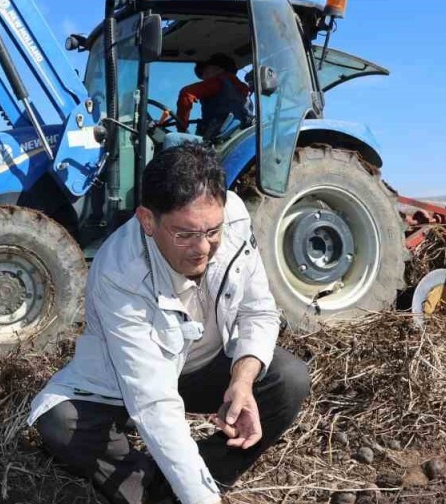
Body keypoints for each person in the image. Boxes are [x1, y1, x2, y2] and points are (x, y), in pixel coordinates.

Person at [28, 143, 310, 504]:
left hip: (201, 367)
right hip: (127, 380)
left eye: (212, 232)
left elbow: (258, 311)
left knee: (288, 378)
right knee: (61, 422)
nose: (203, 248)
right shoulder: (119, 271)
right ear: (148, 220)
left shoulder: (233, 217)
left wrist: (241, 382)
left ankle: (206, 477)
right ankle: (156, 492)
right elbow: (153, 400)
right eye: (185, 235)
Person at [175, 54, 251, 141]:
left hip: (214, 140)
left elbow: (186, 93)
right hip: (234, 136)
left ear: (219, 69)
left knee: (171, 138)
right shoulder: (242, 90)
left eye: (205, 72)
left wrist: (181, 129)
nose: (203, 77)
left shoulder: (218, 82)